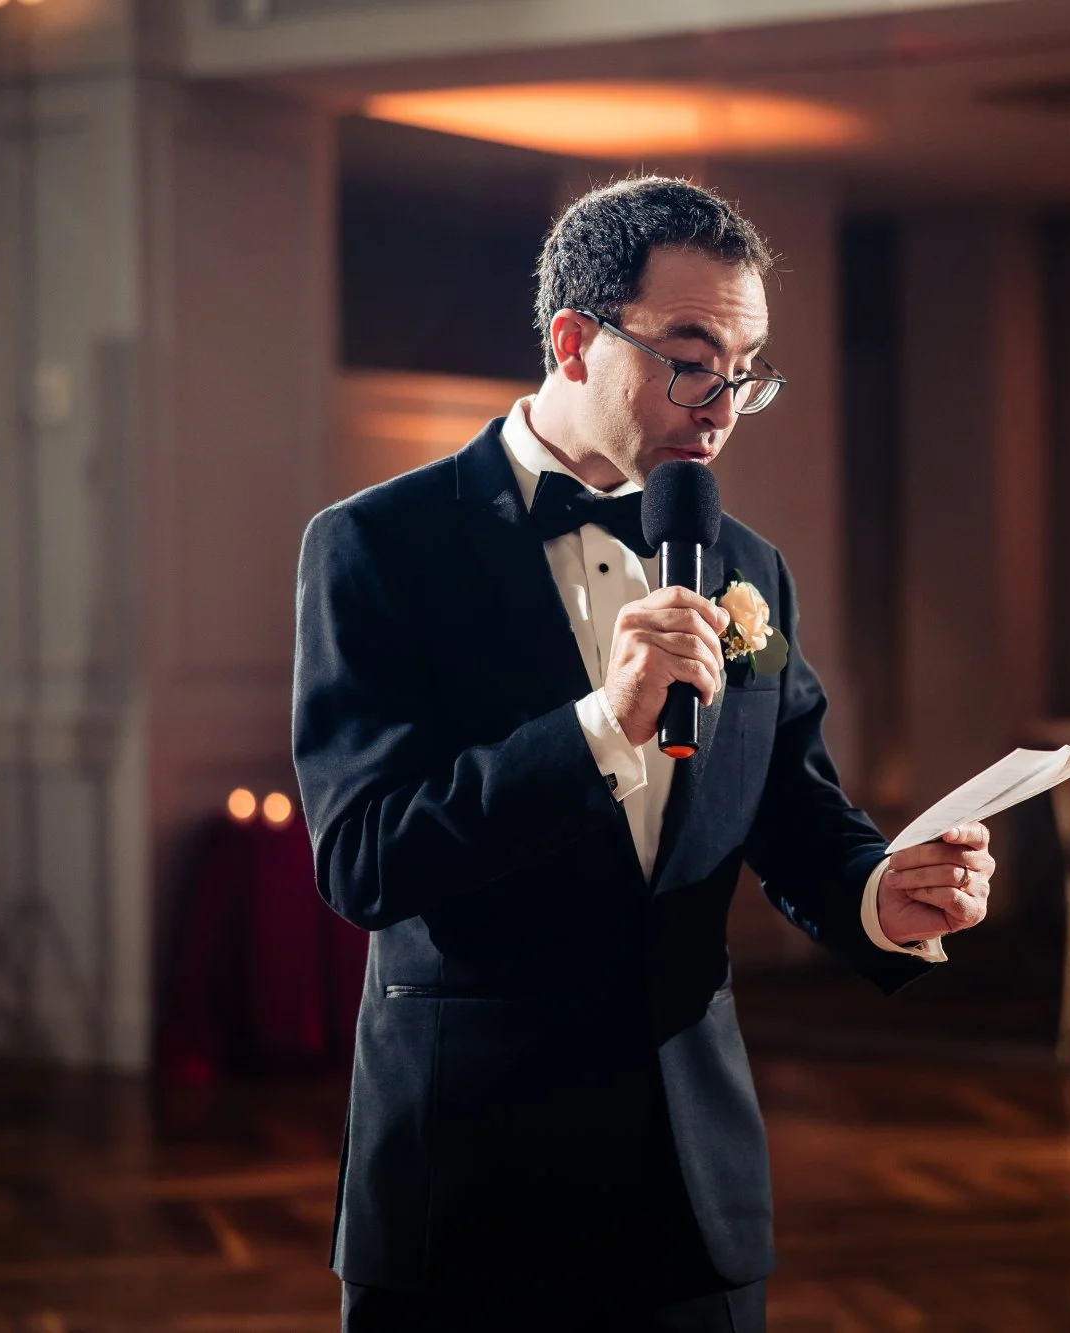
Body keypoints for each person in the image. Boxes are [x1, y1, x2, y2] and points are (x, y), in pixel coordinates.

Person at [292, 177, 995, 1331]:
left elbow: (796, 815)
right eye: (690, 353)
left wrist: (883, 896)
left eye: (748, 365)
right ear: (573, 339)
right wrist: (599, 725)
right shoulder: (376, 547)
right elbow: (364, 860)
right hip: (467, 1187)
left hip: (690, 1186)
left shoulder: (745, 567)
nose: (722, 400)